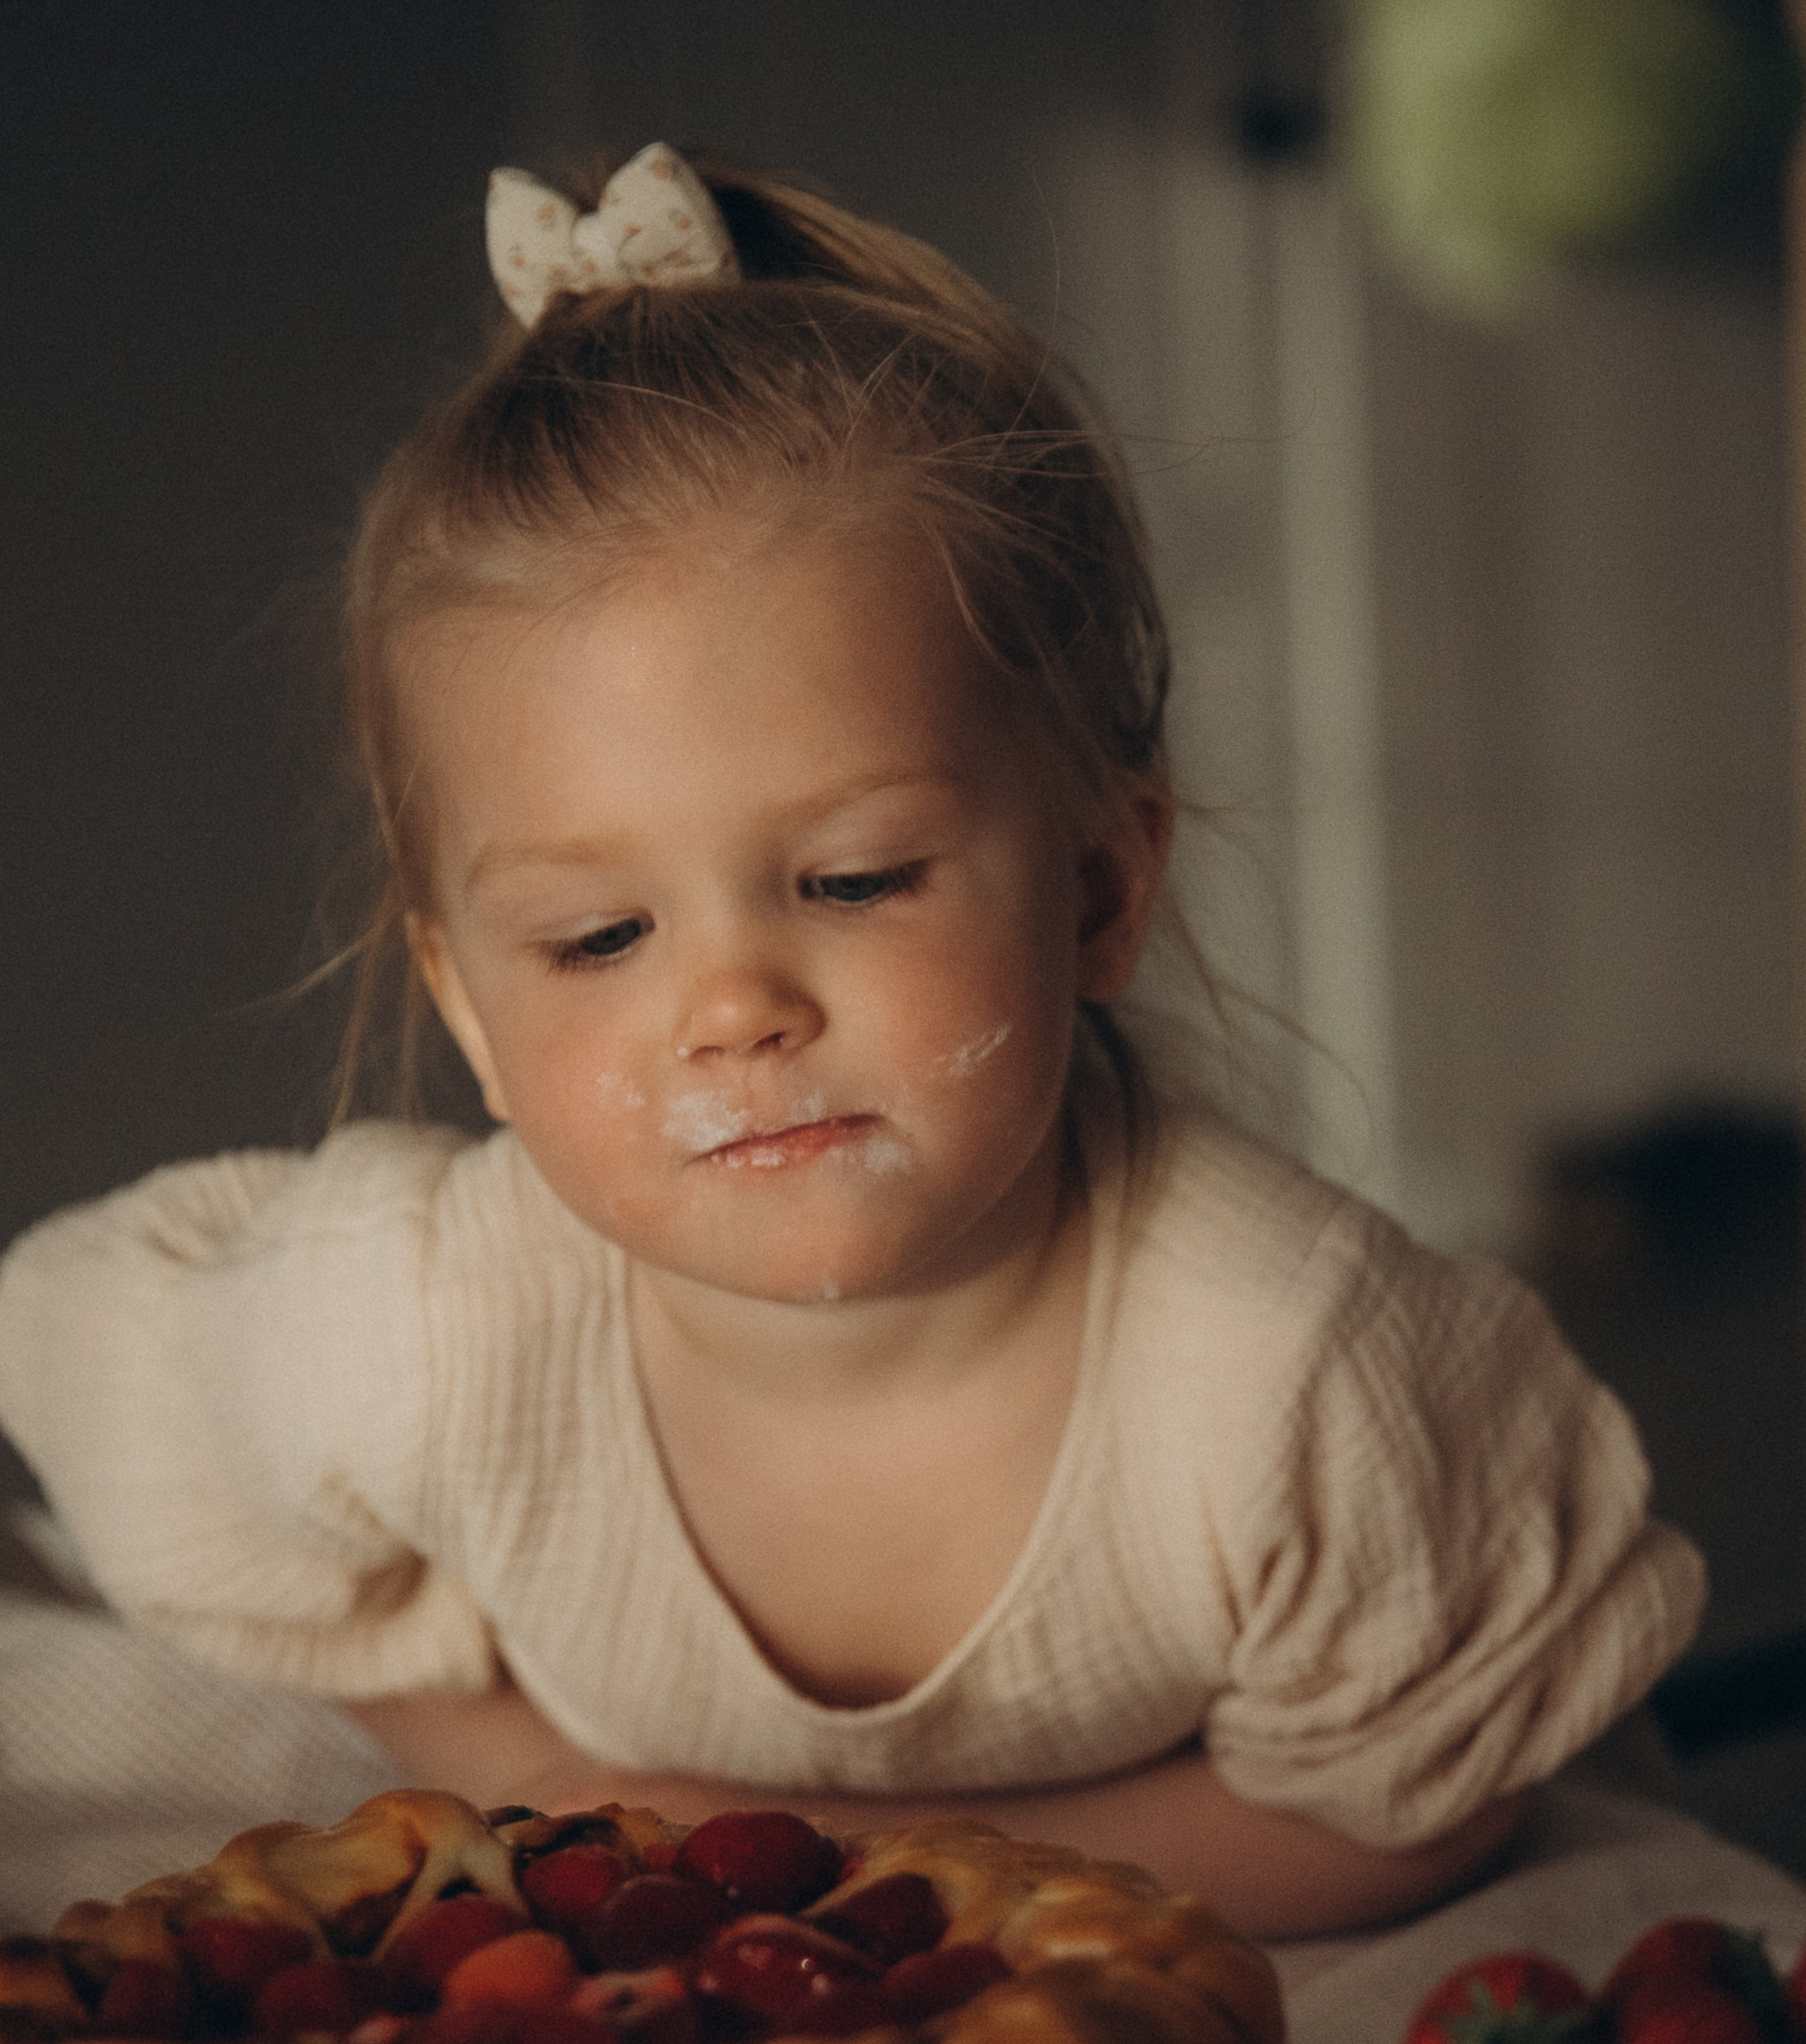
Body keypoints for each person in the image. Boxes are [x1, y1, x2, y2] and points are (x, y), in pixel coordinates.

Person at [0, 145, 1703, 1940]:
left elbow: (1402, 1821)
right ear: (468, 1016)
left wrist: (888, 1876)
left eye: (855, 878)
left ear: (1098, 888)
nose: (731, 1009)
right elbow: (140, 1442)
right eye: (597, 938)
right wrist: (588, 1799)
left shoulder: (1286, 1375)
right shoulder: (415, 1331)